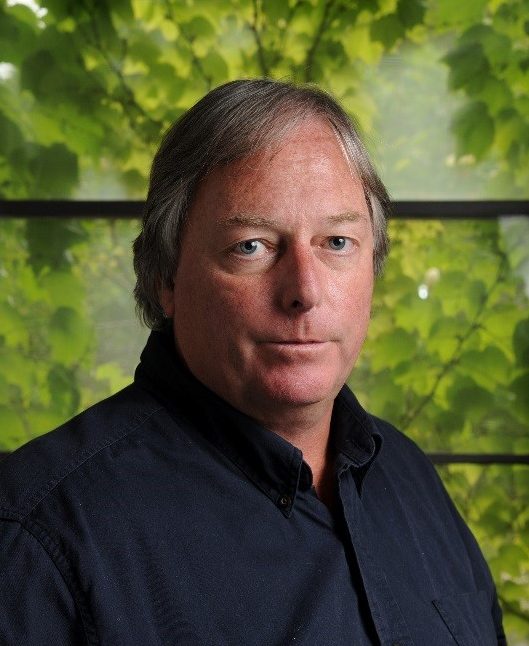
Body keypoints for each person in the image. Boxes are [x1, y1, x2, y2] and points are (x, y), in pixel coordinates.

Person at [0, 79, 505, 645]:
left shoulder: (411, 479)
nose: (304, 291)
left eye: (336, 242)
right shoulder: (38, 537)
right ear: (167, 276)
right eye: (252, 246)